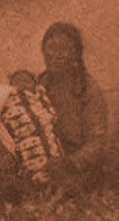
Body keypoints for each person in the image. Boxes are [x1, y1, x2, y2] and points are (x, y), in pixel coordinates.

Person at [39, 21, 110, 192]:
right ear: (43, 51)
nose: (57, 55)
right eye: (51, 48)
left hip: (76, 165)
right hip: (44, 158)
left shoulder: (87, 91)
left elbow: (97, 142)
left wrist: (71, 162)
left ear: (76, 54)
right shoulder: (39, 86)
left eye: (64, 49)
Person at [0, 68, 64, 190]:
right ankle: (34, 180)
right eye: (17, 82)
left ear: (35, 84)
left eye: (26, 81)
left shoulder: (40, 96)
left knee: (52, 156)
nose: (22, 85)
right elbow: (5, 123)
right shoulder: (10, 101)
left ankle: (50, 182)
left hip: (46, 146)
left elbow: (49, 118)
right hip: (25, 141)